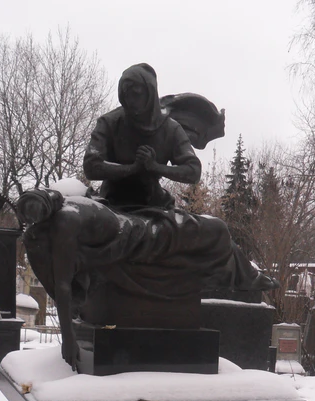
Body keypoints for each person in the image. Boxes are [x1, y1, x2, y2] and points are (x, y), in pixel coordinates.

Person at [18, 63, 274, 370]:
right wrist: (129, 169)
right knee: (127, 230)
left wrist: (156, 168)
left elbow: (193, 171)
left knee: (216, 229)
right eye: (124, 93)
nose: (129, 99)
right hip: (112, 208)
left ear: (150, 93)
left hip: (156, 210)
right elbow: (92, 165)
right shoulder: (110, 122)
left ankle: (238, 276)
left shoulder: (169, 128)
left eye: (136, 92)